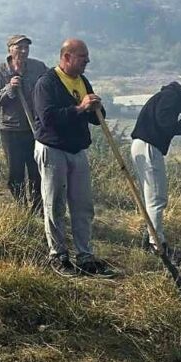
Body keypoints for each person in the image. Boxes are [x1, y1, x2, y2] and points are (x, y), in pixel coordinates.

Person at [32, 38, 113, 277]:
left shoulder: (82, 81)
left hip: (77, 151)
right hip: (53, 149)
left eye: (86, 57)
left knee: (82, 205)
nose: (87, 61)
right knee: (55, 203)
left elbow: (96, 117)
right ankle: (58, 256)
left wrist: (96, 107)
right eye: (82, 57)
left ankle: (85, 256)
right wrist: (79, 108)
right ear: (66, 57)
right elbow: (48, 118)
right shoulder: (46, 83)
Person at [130, 82, 181, 255]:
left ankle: (149, 238)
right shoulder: (171, 97)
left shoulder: (168, 96)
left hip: (143, 145)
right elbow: (164, 121)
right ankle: (157, 245)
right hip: (149, 146)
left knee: (151, 197)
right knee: (157, 198)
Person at [0, 34, 48, 210]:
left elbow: (50, 85)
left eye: (26, 47)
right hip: (11, 130)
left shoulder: (38, 68)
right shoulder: (0, 72)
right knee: (16, 173)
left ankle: (38, 208)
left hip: (34, 128)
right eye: (19, 47)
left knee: (36, 172)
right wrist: (9, 89)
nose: (23, 51)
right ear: (10, 49)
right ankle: (21, 207)